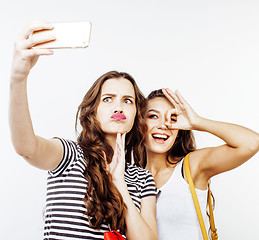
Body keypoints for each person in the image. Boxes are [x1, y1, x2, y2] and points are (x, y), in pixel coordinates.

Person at [9, 20, 158, 240]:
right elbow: (27, 148)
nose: (118, 107)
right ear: (93, 110)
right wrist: (18, 78)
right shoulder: (70, 155)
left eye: (128, 101)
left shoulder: (142, 178)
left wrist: (120, 184)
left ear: (137, 113)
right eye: (108, 99)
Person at [140, 88, 259, 240]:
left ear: (179, 131)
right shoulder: (129, 176)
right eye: (153, 116)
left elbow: (251, 143)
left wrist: (197, 122)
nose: (163, 124)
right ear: (140, 123)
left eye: (173, 117)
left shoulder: (190, 166)